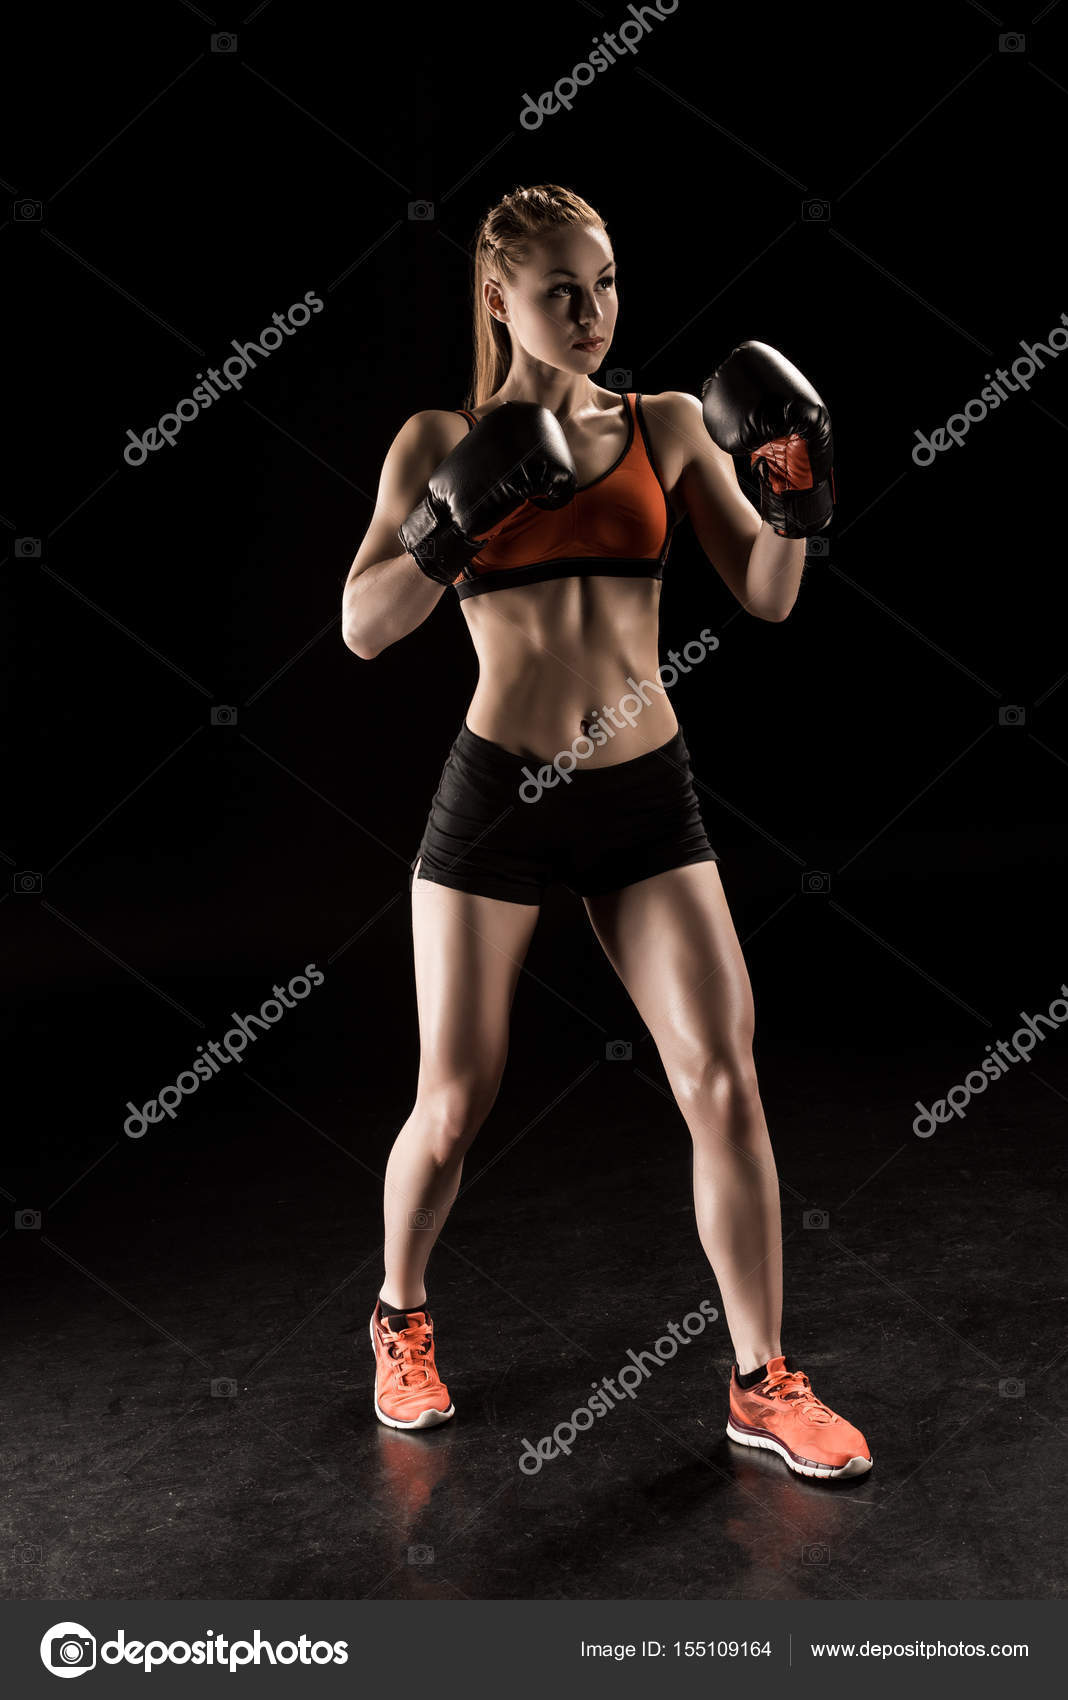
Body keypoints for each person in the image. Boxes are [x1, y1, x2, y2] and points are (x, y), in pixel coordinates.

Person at [341, 184, 871, 1481]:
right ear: (500, 296)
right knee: (455, 1101)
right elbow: (364, 625)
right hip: (500, 791)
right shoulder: (439, 436)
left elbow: (766, 594)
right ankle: (399, 1320)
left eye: (610, 285)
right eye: (565, 290)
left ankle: (761, 1383)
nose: (594, 312)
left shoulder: (669, 422)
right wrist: (446, 521)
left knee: (722, 1078)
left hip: (643, 789)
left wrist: (798, 502)